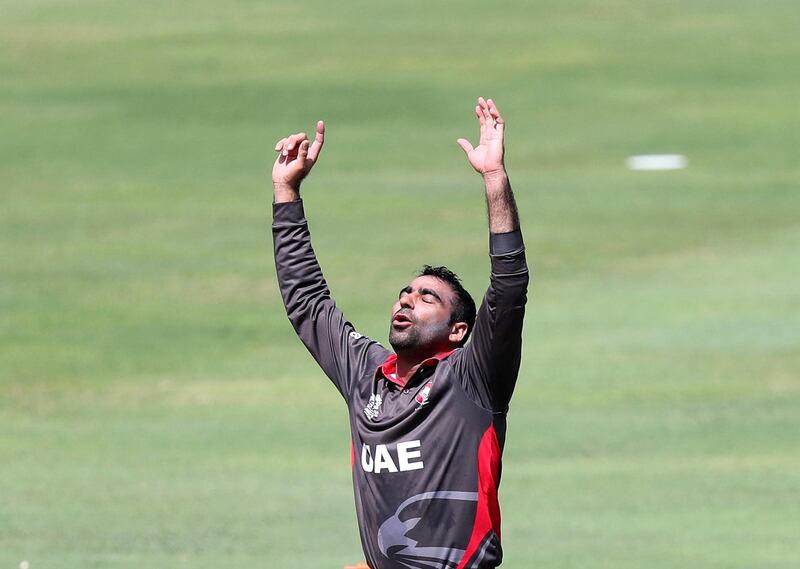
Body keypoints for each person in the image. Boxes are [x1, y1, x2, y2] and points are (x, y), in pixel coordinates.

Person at [271, 97, 528, 569]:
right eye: (405, 292)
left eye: (427, 297)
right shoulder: (364, 373)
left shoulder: (473, 379)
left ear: (458, 331)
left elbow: (509, 289)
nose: (407, 298)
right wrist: (287, 193)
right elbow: (306, 302)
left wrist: (495, 179)